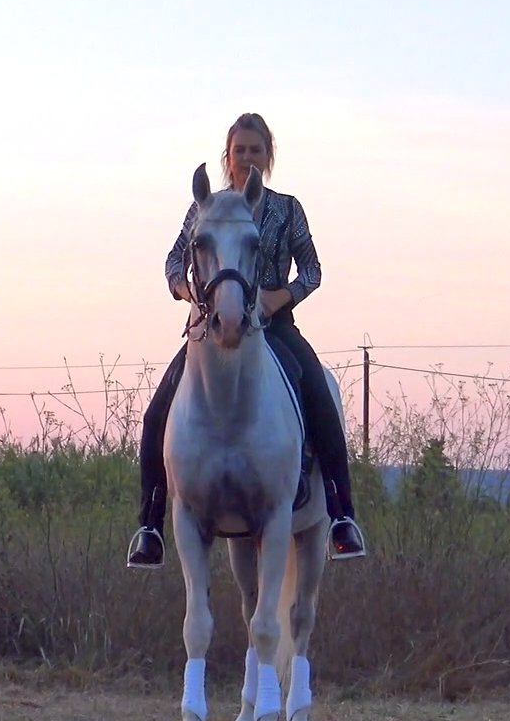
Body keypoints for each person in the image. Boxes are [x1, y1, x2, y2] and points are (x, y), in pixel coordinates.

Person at [127, 112, 369, 568]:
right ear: (228, 156)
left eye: (256, 150)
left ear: (268, 157)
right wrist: (190, 295)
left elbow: (313, 270)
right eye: (240, 150)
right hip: (211, 326)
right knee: (157, 411)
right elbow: (173, 262)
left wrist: (281, 297)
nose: (247, 157)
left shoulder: (286, 208)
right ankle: (150, 525)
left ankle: (341, 516)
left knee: (318, 394)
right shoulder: (206, 209)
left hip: (273, 327)